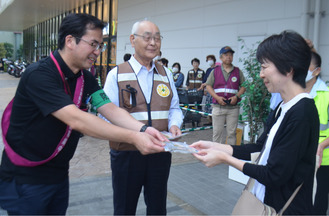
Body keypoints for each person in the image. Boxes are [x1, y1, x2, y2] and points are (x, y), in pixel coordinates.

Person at [0, 14, 166, 215]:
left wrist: (144, 129)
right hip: (26, 178)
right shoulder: (40, 75)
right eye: (93, 44)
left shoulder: (85, 77)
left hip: (59, 174)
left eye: (100, 46)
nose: (97, 52)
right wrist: (134, 137)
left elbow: (109, 109)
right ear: (70, 41)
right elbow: (77, 120)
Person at [192, 31, 319, 215]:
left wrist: (225, 159)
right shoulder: (282, 107)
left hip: (287, 208)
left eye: (264, 67)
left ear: (288, 67)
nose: (260, 74)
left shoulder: (302, 113)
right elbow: (259, 148)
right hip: (266, 202)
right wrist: (216, 146)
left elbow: (274, 175)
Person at [103, 20, 183, 215]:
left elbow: (175, 108)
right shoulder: (116, 75)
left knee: (157, 208)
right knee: (124, 208)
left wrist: (174, 124)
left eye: (157, 38)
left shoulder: (166, 74)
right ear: (132, 40)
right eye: (147, 37)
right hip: (127, 154)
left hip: (160, 151)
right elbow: (106, 116)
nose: (153, 43)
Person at [304, 51, 329, 215]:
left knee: (318, 202)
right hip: (302, 157)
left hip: (323, 160)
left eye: (306, 66)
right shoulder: (294, 93)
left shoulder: (326, 95)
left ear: (317, 71)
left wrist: (321, 146)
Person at [205, 46, 245, 145]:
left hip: (233, 108)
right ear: (221, 58)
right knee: (217, 133)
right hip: (218, 107)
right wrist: (217, 98)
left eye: (231, 55)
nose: (229, 57)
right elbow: (208, 86)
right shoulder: (215, 71)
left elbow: (244, 86)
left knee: (232, 133)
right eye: (226, 55)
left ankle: (230, 155)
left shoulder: (237, 71)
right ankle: (217, 155)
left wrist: (237, 96)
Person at [201, 55, 217, 126]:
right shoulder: (208, 70)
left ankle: (215, 121)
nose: (210, 61)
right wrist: (205, 89)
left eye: (211, 59)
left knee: (214, 105)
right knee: (208, 106)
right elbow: (205, 80)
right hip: (208, 89)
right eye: (208, 59)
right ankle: (209, 120)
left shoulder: (217, 69)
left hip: (215, 90)